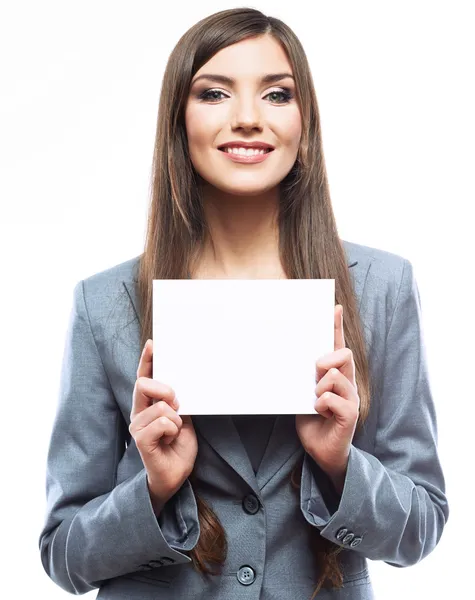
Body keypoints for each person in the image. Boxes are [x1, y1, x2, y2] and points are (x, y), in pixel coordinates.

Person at [38, 7, 449, 600]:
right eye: (214, 94)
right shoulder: (106, 303)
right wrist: (154, 487)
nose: (249, 119)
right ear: (179, 122)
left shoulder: (382, 287)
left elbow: (422, 527)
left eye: (277, 94)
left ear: (304, 122)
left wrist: (340, 464)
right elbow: (63, 554)